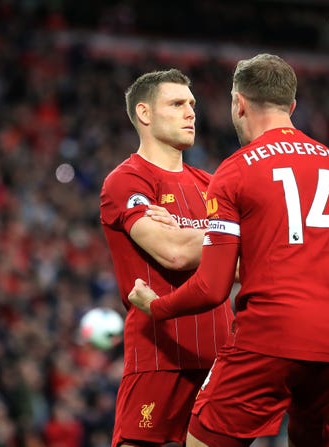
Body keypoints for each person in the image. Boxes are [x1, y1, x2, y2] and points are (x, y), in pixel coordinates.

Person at [127, 53, 329, 447]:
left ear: (239, 103)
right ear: (291, 106)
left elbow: (213, 288)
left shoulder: (237, 170)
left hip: (271, 337)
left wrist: (157, 307)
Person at [100, 68, 234, 447]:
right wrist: (221, 240)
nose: (191, 112)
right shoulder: (127, 180)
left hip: (221, 357)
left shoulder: (213, 185)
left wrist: (184, 230)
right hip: (160, 352)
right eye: (176, 104)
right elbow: (172, 252)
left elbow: (243, 264)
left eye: (192, 104)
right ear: (144, 114)